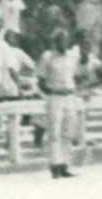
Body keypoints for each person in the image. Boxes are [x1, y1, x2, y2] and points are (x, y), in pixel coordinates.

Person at [37, 27, 86, 179]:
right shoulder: (48, 57)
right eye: (59, 40)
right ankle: (55, 165)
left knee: (68, 132)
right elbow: (40, 79)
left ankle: (65, 164)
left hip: (69, 96)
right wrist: (50, 92)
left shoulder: (72, 56)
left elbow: (78, 73)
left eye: (65, 40)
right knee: (54, 132)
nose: (63, 43)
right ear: (55, 41)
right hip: (55, 96)